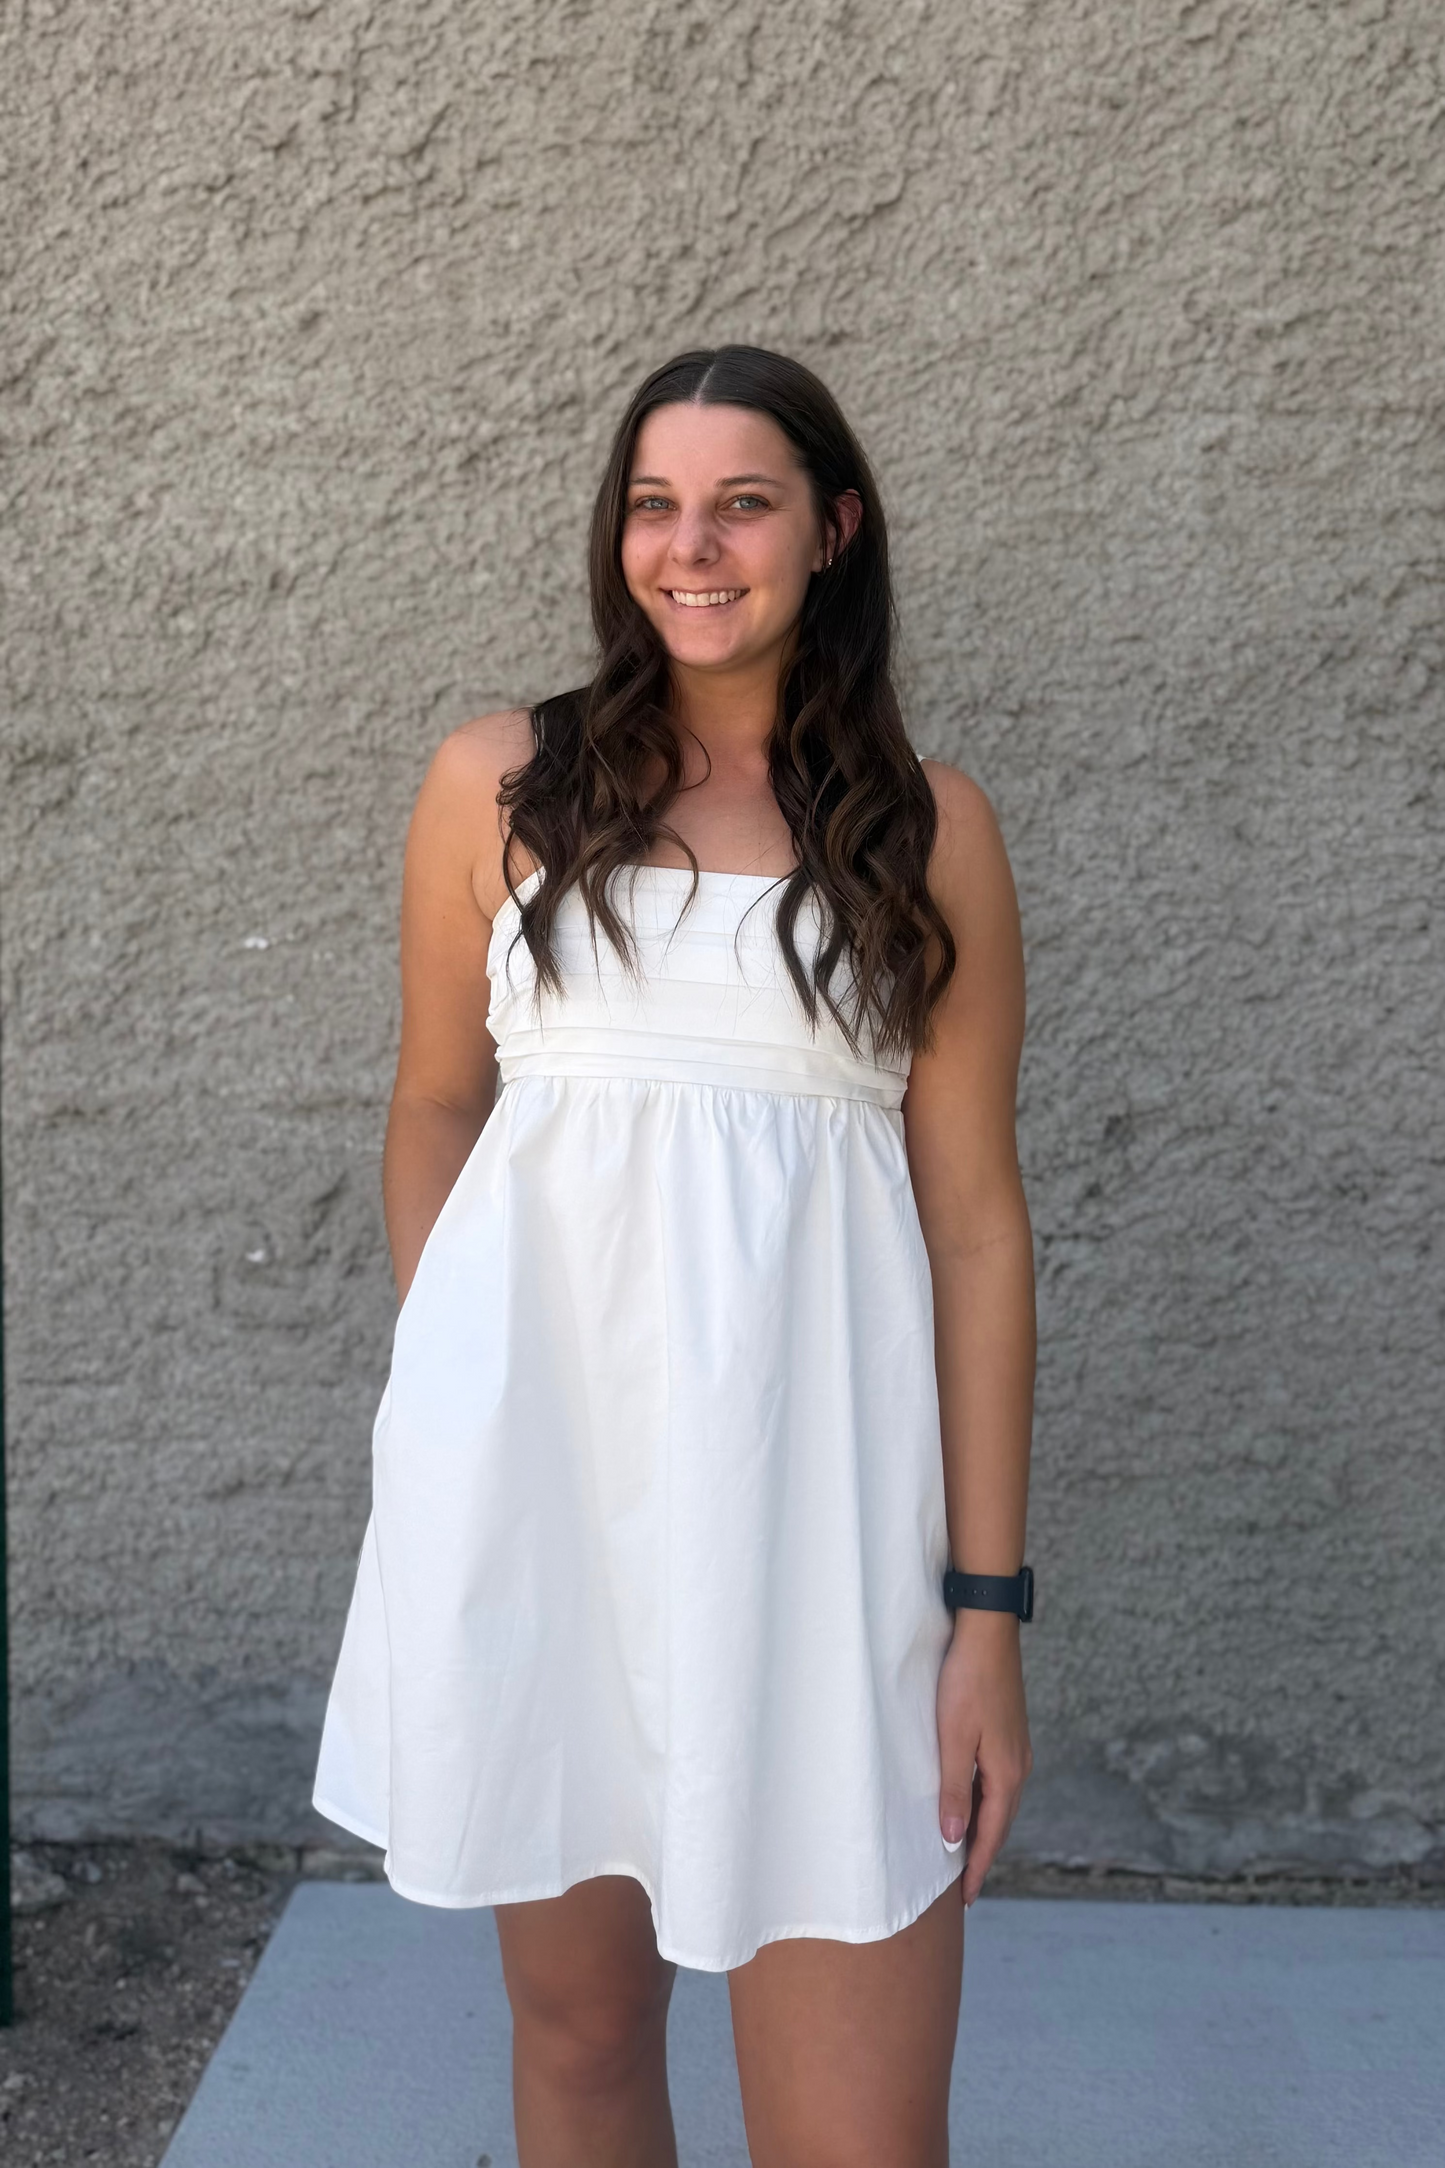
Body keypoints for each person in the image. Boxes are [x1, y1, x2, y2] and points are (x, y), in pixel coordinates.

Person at [314, 344, 1036, 2167]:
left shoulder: (928, 831)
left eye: (744, 503)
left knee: (860, 2135)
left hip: (826, 1543)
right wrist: (469, 1399)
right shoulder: (497, 787)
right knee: (578, 2042)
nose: (690, 546)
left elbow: (975, 1225)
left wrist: (987, 1615)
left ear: (835, 529)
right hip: (546, 1518)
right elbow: (432, 1112)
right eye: (654, 502)